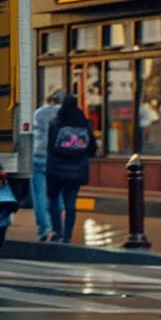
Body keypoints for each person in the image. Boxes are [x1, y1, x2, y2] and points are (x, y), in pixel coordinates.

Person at [45, 94, 96, 244]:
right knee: (70, 203)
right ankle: (68, 235)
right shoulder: (83, 123)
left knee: (53, 199)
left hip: (56, 169)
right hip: (77, 169)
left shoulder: (56, 122)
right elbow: (92, 148)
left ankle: (56, 231)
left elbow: (50, 145)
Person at [30, 91, 62, 241]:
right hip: (57, 157)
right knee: (57, 195)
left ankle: (44, 231)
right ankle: (57, 229)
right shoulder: (65, 113)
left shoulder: (39, 113)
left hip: (38, 155)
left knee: (39, 195)